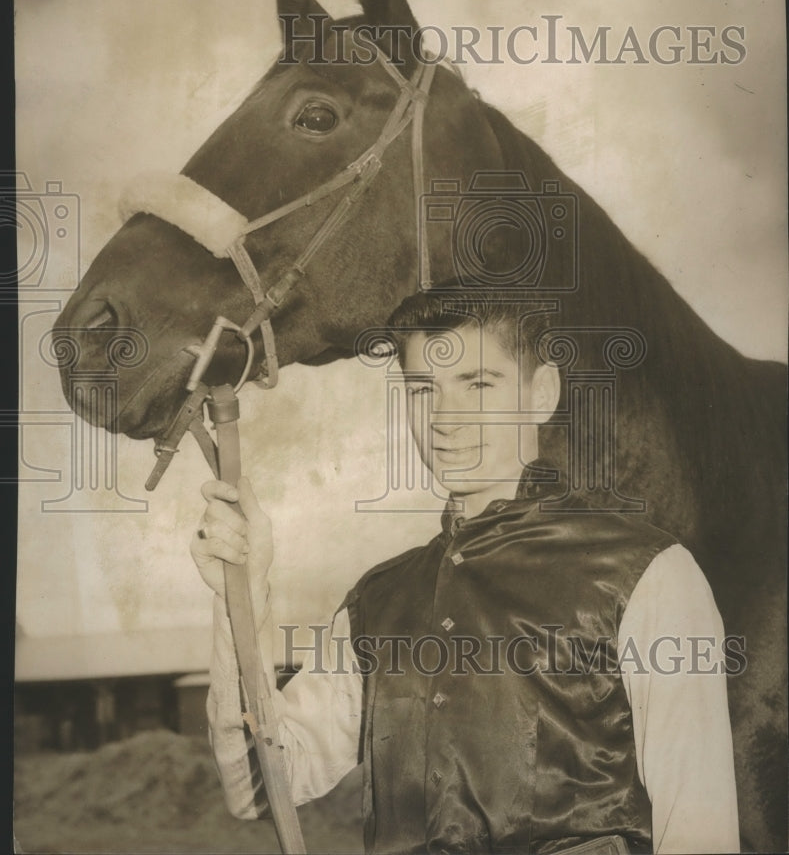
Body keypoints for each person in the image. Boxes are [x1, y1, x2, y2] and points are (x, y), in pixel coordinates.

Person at [191, 291, 739, 855]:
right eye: (424, 388)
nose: (445, 419)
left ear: (541, 393)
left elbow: (699, 823)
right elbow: (259, 787)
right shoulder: (378, 601)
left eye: (479, 384)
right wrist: (243, 598)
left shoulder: (647, 574)